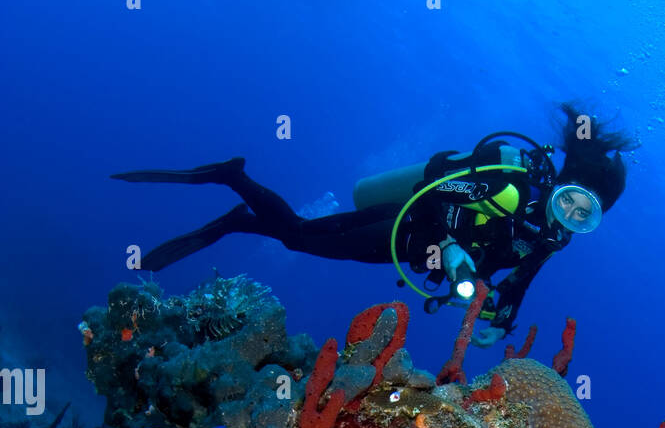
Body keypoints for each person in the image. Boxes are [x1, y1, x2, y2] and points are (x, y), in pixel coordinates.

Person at [111, 103, 633, 337]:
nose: (569, 214)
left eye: (584, 216)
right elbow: (439, 190)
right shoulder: (511, 186)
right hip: (408, 227)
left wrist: (501, 315)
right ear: (562, 183)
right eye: (571, 199)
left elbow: (520, 277)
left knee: (298, 236)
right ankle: (233, 185)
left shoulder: (551, 238)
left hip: (408, 251)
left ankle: (236, 210)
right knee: (297, 236)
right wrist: (451, 247)